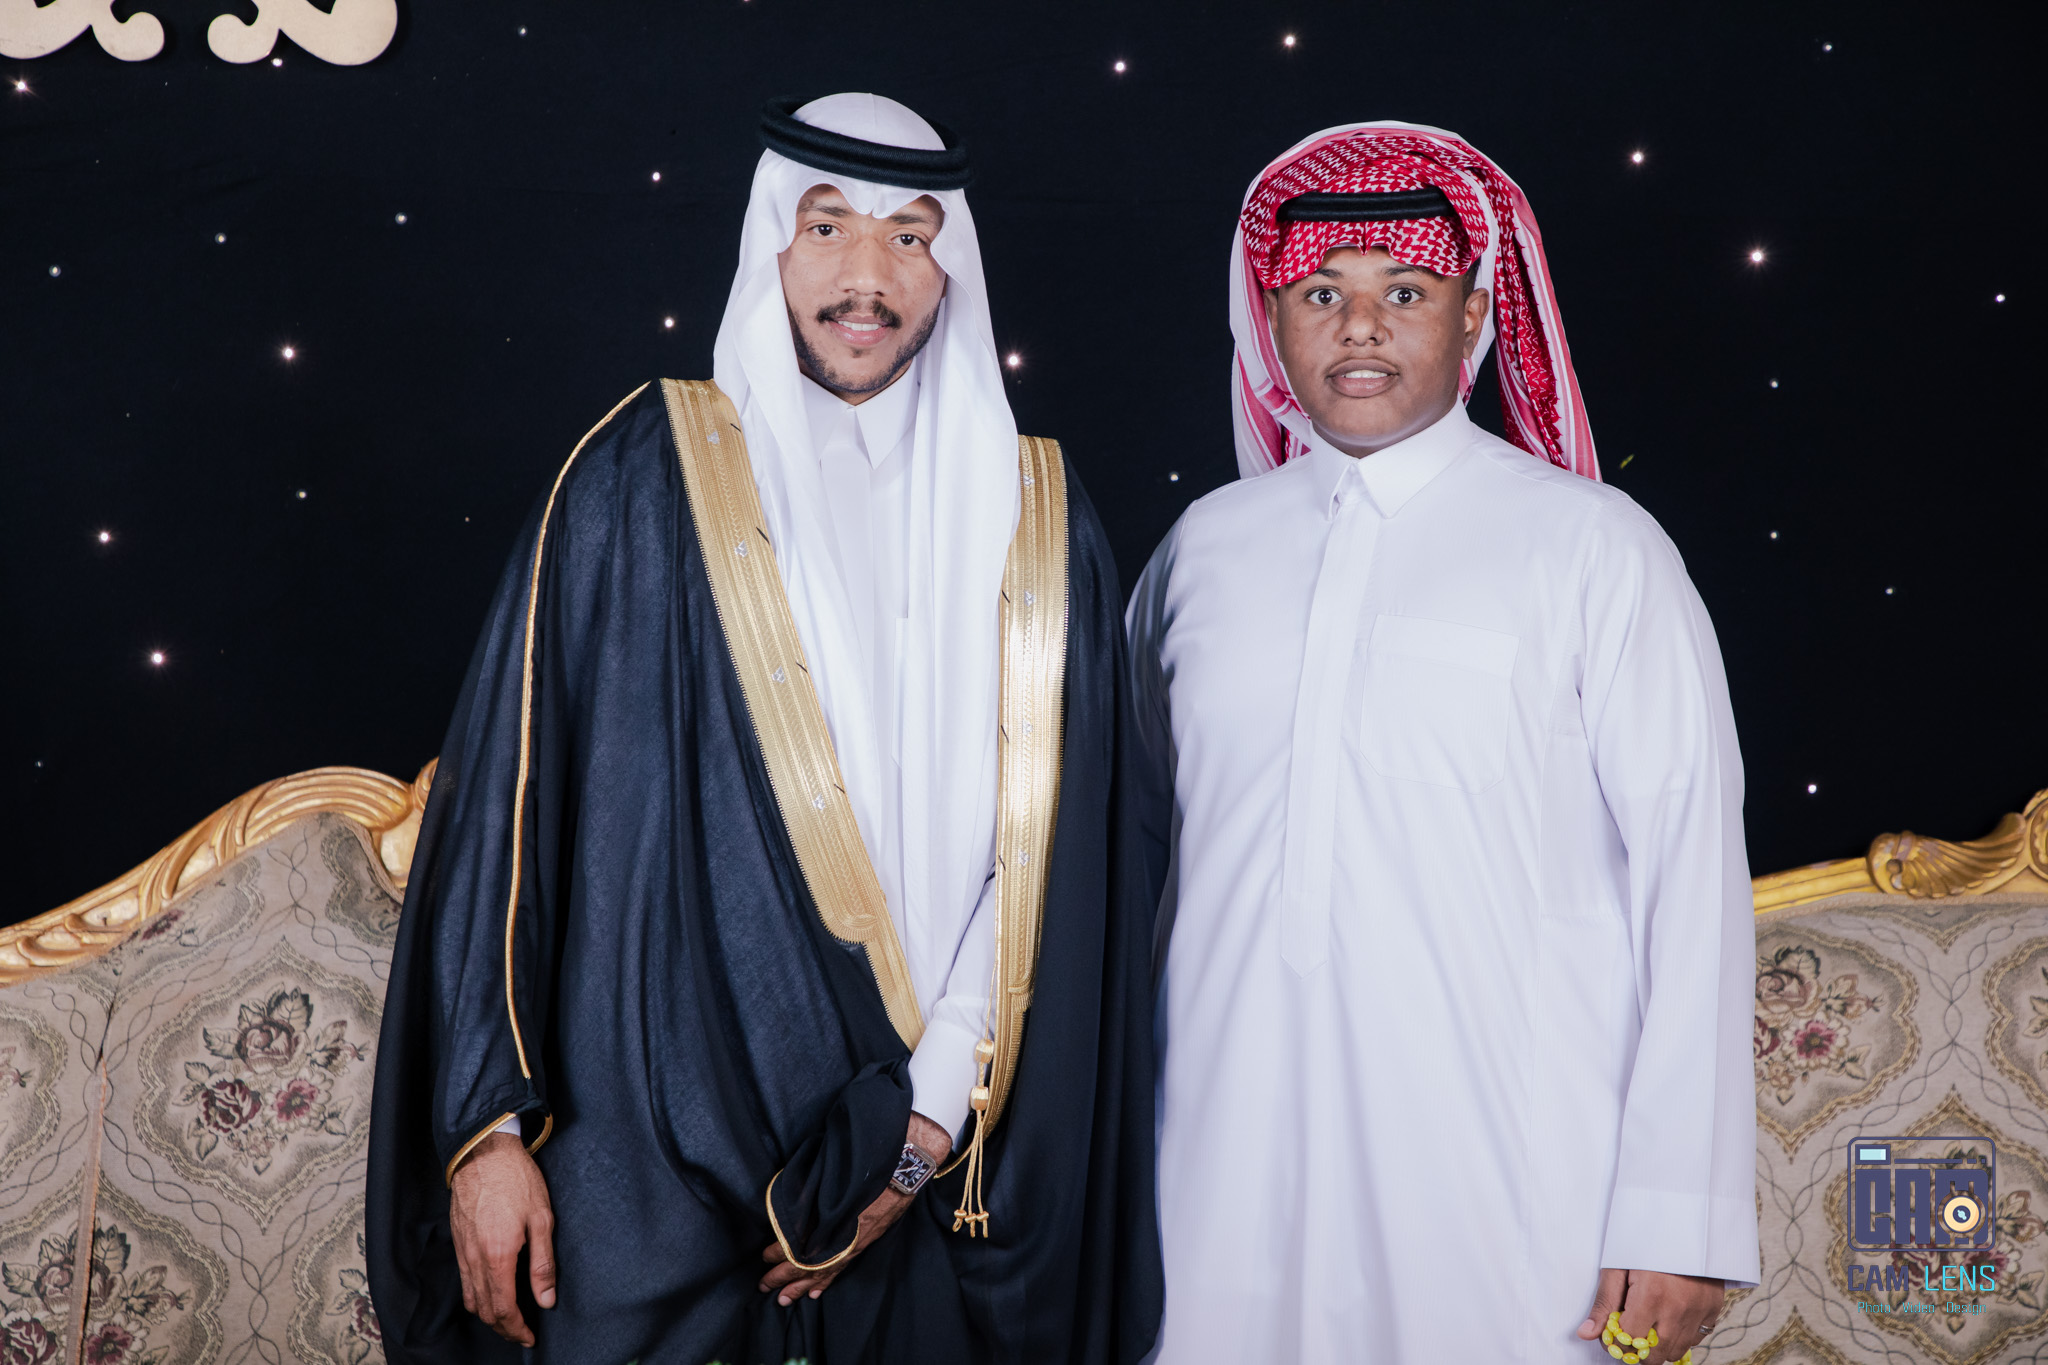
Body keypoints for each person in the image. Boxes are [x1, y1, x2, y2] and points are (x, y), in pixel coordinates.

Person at [367, 92, 1164, 1365]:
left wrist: (920, 1132)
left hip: (940, 1146)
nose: (867, 277)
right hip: (647, 1163)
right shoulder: (637, 477)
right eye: (828, 226)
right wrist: (489, 1136)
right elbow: (510, 817)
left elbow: (1057, 867)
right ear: (769, 243)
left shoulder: (1040, 519)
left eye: (909, 237)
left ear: (950, 266)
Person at [1127, 122, 1759, 1363]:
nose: (1359, 328)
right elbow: (1130, 846)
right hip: (1214, 1162)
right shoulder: (1202, 549)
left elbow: (1691, 885)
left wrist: (1678, 1216)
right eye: (1320, 294)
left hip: (1507, 1174)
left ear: (1472, 320)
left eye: (1404, 293)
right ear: (1271, 321)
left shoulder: (1592, 546)